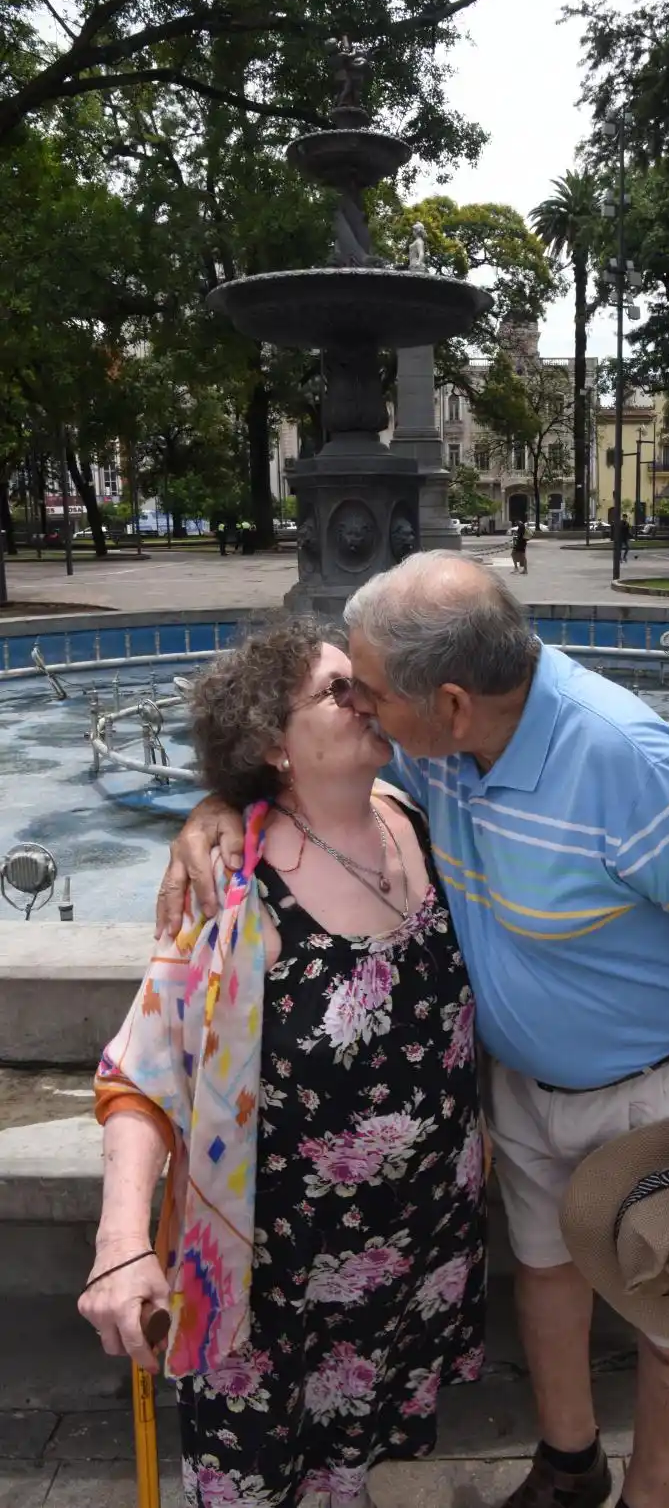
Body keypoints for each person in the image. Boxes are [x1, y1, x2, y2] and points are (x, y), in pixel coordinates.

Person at [157, 555, 669, 1508]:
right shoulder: (440, 746)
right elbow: (301, 768)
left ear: (450, 703)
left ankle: (649, 1500)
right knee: (545, 1273)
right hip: (524, 1092)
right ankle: (569, 1465)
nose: (365, 711)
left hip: (651, 1092)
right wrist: (222, 803)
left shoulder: (625, 759)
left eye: (371, 693)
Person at [81, 617, 486, 1508]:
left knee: (365, 1463)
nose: (365, 699)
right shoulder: (232, 892)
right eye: (338, 690)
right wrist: (120, 1243)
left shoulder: (419, 814)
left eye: (365, 682)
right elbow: (140, 1073)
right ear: (272, 743)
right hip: (275, 1288)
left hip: (414, 1258)